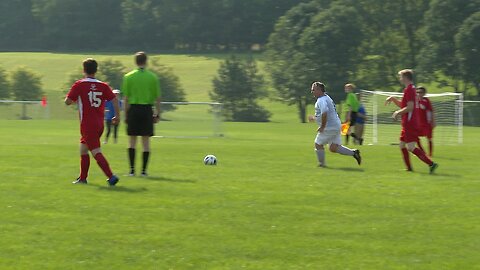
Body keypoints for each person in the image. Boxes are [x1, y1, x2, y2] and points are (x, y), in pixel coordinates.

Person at [65, 58, 120, 185]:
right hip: (99, 123)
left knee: (95, 151)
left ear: (84, 70)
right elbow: (115, 99)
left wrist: (74, 99)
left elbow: (67, 101)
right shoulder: (103, 85)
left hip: (87, 124)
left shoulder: (79, 85)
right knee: (83, 149)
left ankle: (111, 176)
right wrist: (117, 116)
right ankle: (82, 178)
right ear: (96, 70)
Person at [385, 69, 438, 173]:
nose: (400, 79)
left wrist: (397, 113)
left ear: (405, 77)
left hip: (410, 123)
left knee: (411, 147)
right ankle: (409, 168)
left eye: (400, 77)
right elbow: (404, 105)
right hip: (408, 123)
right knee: (402, 145)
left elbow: (410, 107)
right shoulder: (411, 89)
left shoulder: (409, 89)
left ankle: (431, 164)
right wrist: (393, 99)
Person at [122, 52, 161, 177]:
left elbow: (126, 98)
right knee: (146, 142)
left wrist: (126, 114)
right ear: (146, 61)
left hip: (134, 109)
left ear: (135, 61)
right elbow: (158, 98)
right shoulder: (153, 77)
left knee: (132, 141)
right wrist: (157, 113)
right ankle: (144, 171)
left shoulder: (128, 77)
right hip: (146, 110)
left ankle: (132, 170)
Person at [308, 82, 362, 167]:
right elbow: (325, 114)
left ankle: (322, 164)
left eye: (313, 90)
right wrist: (314, 118)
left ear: (319, 90)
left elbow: (325, 113)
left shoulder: (321, 100)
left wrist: (322, 127)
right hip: (336, 125)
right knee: (333, 147)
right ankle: (354, 152)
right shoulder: (326, 97)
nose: (312, 92)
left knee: (318, 144)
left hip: (329, 127)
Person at [416, 86, 435, 157]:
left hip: (427, 124)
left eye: (420, 92)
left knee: (429, 138)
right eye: (417, 92)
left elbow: (431, 111)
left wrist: (433, 121)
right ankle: (422, 152)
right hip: (417, 124)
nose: (418, 94)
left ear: (424, 93)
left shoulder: (426, 101)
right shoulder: (415, 101)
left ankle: (430, 154)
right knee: (415, 137)